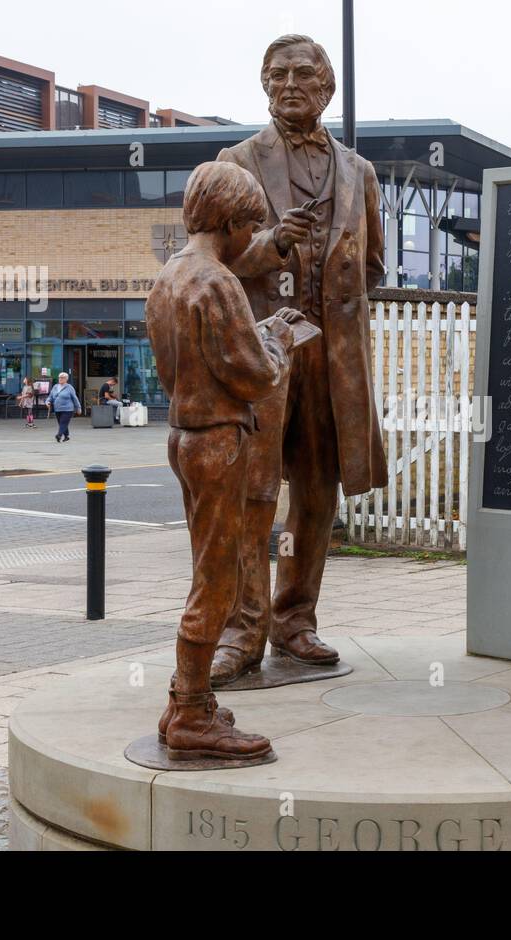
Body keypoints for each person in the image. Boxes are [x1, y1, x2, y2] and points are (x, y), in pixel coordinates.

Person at [208, 34, 388, 681]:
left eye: (302, 74)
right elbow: (213, 258)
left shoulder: (360, 173)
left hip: (331, 363)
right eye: (277, 74)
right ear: (263, 84)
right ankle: (240, 626)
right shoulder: (235, 162)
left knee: (315, 495)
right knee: (251, 496)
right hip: (263, 355)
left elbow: (371, 266)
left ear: (327, 87)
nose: (289, 85)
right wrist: (270, 247)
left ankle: (295, 619)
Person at [146, 159, 295, 763]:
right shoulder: (218, 281)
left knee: (208, 565)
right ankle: (189, 714)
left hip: (184, 435)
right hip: (217, 440)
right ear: (231, 221)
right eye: (251, 226)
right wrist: (277, 341)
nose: (252, 238)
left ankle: (192, 697)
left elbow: (187, 363)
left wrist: (252, 336)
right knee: (219, 576)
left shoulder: (168, 278)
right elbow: (255, 376)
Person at [46, 372, 81, 443]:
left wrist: (78, 408)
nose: (60, 379)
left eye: (62, 377)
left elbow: (75, 398)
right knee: (61, 423)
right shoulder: (55, 387)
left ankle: (59, 435)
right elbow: (50, 396)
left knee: (63, 422)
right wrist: (47, 402)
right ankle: (66, 436)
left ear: (66, 379)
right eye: (59, 377)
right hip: (57, 409)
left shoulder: (69, 387)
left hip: (68, 409)